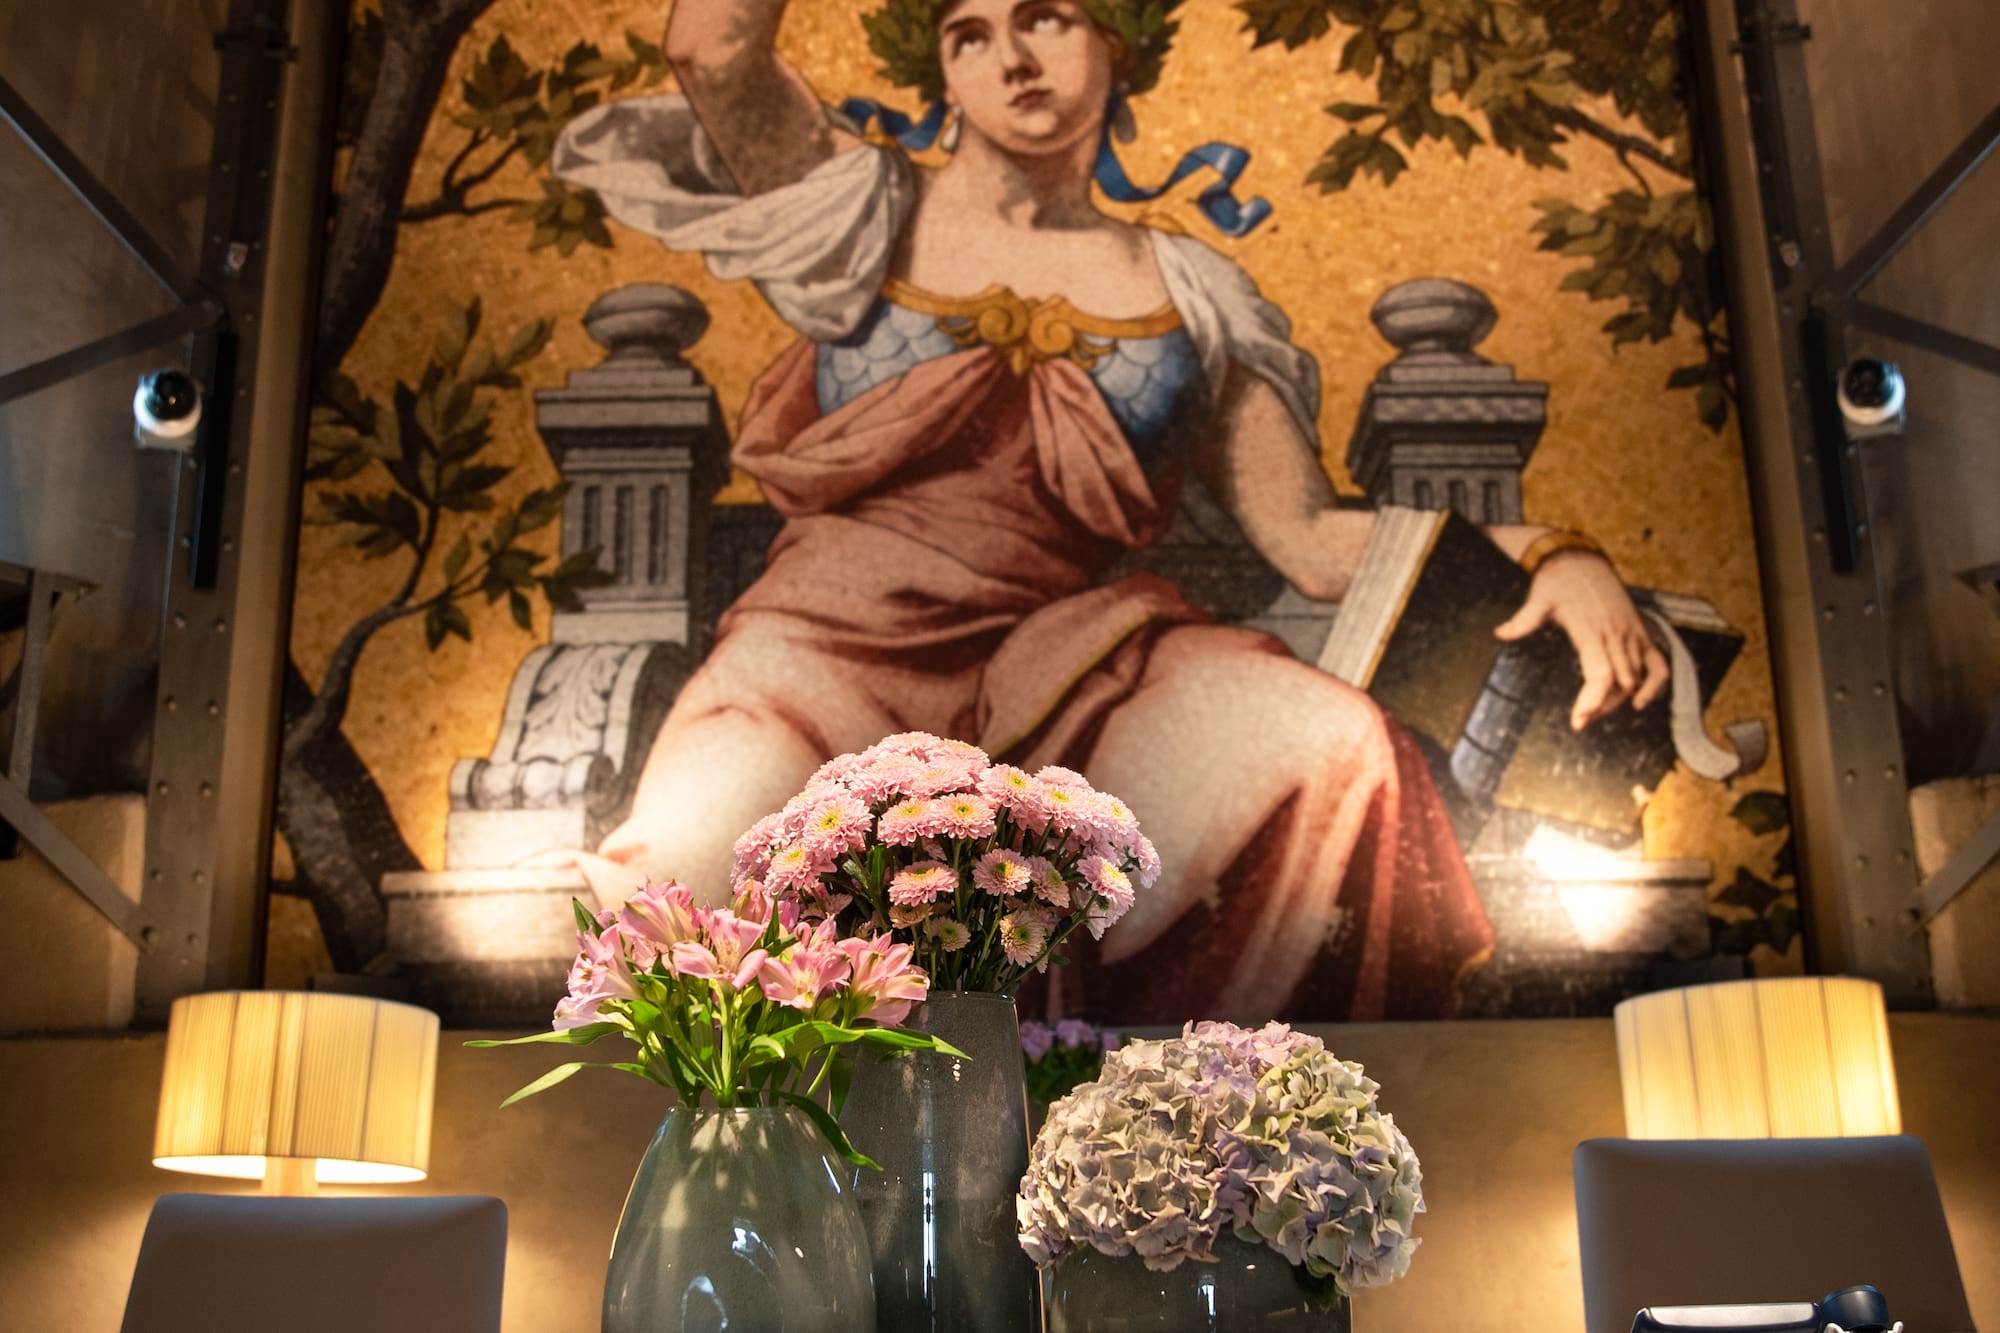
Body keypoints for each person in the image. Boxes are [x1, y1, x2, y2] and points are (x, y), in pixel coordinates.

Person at [543, 0, 1669, 1022]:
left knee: (1330, 749)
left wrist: (1552, 554)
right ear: (940, 70)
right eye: (968, 35)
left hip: (1065, 664)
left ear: (1116, 43)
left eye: (1045, 18)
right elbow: (709, 47)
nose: (1011, 59)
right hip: (817, 657)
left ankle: (1198, 1129)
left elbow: (1315, 543)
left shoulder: (1191, 291)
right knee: (682, 884)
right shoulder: (856, 210)